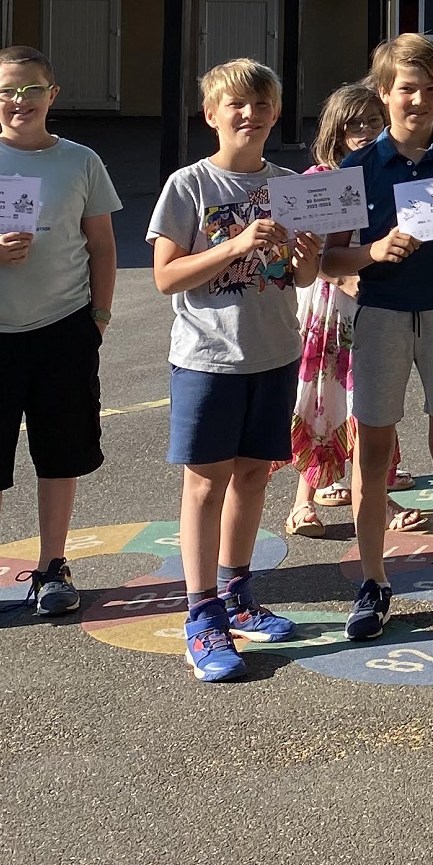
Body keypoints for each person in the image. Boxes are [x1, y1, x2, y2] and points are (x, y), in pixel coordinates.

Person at [0, 45, 121, 628]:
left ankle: (53, 567)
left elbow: (102, 245)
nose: (21, 100)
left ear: (52, 95)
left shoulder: (81, 161)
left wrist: (99, 315)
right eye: (7, 92)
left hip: (65, 327)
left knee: (60, 452)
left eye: (32, 89)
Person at [148, 59, 321, 681]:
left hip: (274, 352)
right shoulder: (188, 185)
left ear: (277, 114)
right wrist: (236, 243)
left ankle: (237, 594)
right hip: (208, 358)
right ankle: (201, 615)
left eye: (262, 105)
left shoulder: (291, 185)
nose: (250, 115)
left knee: (252, 476)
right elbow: (166, 276)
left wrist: (308, 256)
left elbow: (300, 276)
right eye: (237, 105)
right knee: (204, 484)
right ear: (211, 115)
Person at [323, 34, 433, 641]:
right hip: (382, 316)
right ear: (383, 93)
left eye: (432, 89)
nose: (419, 100)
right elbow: (329, 261)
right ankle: (374, 581)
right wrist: (375, 250)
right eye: (407, 89)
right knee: (372, 452)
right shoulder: (356, 168)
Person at [286, 82, 387, 539]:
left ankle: (376, 494)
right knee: (321, 397)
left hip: (378, 303)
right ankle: (302, 501)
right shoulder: (318, 180)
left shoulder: (388, 174)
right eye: (354, 124)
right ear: (335, 131)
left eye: (373, 121)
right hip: (329, 308)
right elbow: (303, 252)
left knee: (372, 401)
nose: (365, 131)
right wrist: (342, 278)